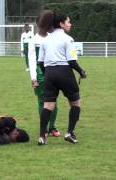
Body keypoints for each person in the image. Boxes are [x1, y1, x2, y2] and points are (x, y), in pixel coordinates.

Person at [37, 11, 87, 145]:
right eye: (68, 21)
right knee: (75, 103)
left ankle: (42, 136)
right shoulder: (68, 39)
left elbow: (40, 62)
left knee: (48, 105)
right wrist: (81, 71)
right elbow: (71, 61)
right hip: (64, 72)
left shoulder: (45, 40)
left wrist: (47, 73)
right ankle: (70, 133)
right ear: (61, 24)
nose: (70, 24)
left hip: (49, 73)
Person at [28, 12, 60, 138]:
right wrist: (33, 78)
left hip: (53, 72)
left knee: (54, 101)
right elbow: (31, 60)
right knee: (42, 101)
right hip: (40, 74)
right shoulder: (33, 41)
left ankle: (52, 126)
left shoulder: (52, 38)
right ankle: (45, 128)